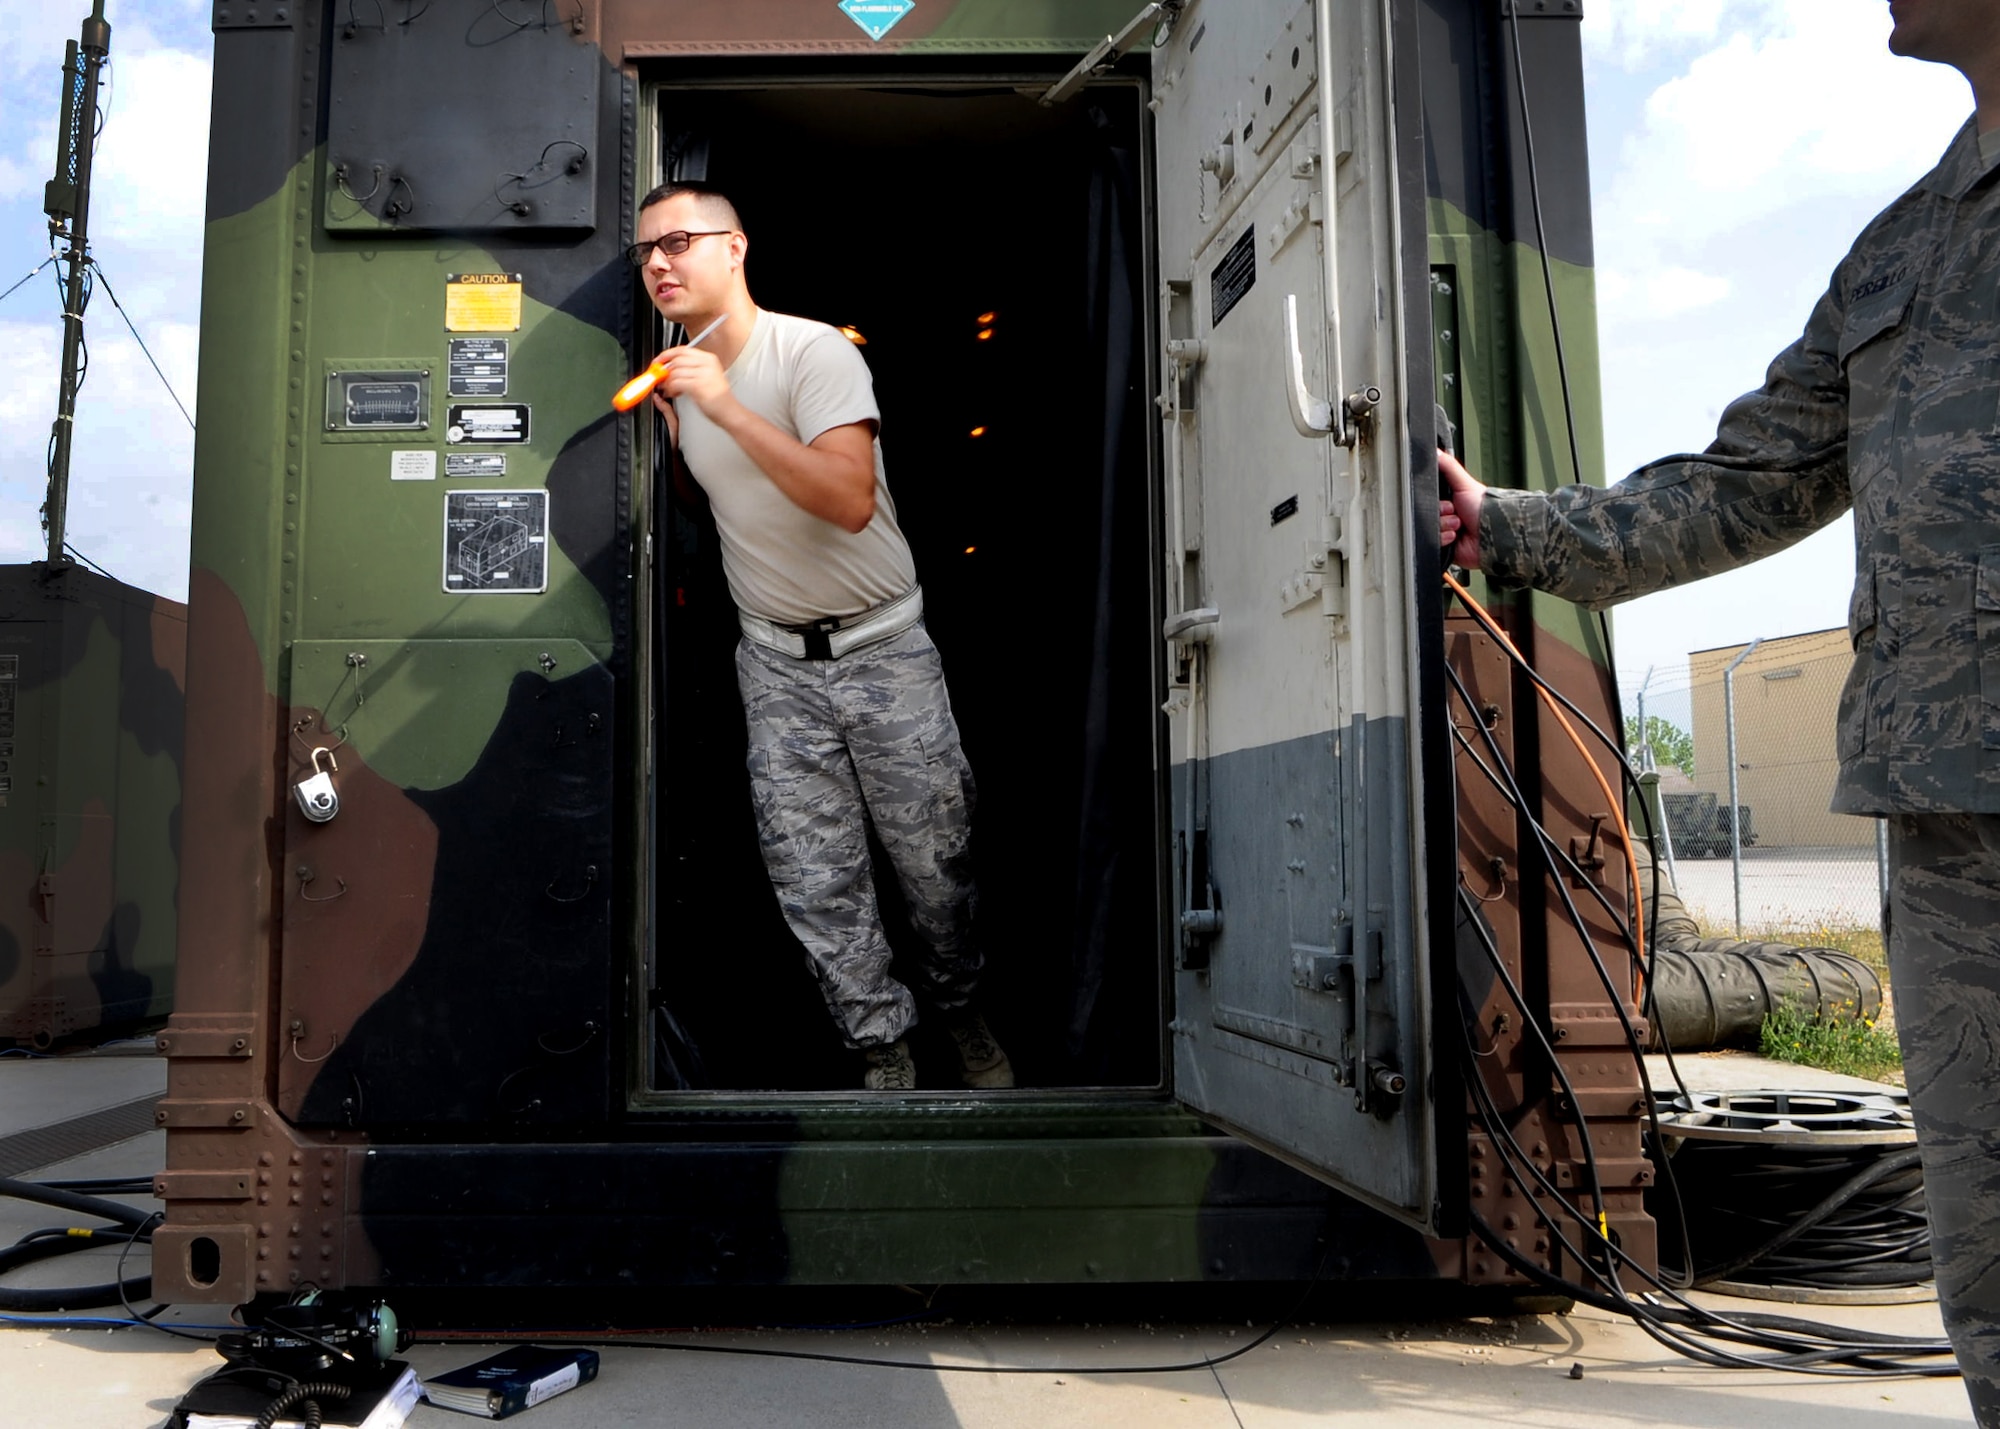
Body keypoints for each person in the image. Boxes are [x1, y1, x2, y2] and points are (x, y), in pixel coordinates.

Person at [1439, 1, 2000, 1416]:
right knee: (1985, 1239)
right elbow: (1747, 483)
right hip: (1947, 811)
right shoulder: (1905, 244)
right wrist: (1502, 527)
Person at [632, 180, 1011, 1092]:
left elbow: (845, 501)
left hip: (884, 649)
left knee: (935, 866)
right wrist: (684, 434)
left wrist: (721, 407)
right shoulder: (677, 373)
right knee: (814, 877)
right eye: (647, 250)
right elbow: (721, 501)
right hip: (772, 661)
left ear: (736, 248)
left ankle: (960, 1010)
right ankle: (883, 1049)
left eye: (680, 241)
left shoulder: (811, 353)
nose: (658, 263)